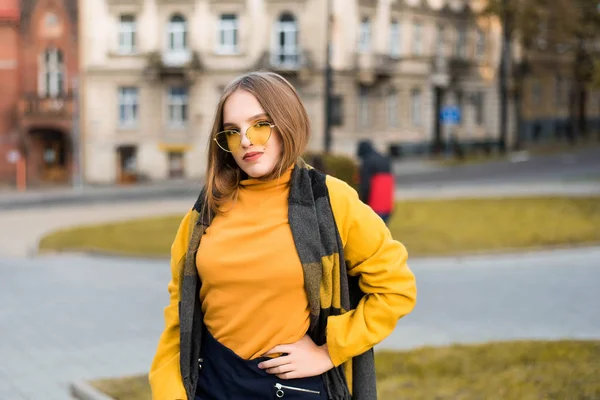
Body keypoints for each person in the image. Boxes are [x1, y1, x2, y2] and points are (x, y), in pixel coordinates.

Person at [149, 71, 417, 400]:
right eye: (232, 132)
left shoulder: (330, 201)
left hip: (292, 388)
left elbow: (396, 289)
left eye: (260, 124)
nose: (246, 140)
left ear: (286, 122)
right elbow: (179, 317)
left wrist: (329, 351)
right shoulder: (203, 215)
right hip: (210, 385)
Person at [356, 140, 395, 224]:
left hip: (374, 204)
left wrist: (363, 202)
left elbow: (365, 185)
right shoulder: (385, 159)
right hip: (387, 204)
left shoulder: (367, 161)